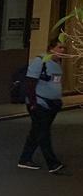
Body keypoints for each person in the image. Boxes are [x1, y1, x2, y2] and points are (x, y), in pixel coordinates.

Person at [17, 38, 67, 173]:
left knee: (37, 132)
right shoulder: (40, 61)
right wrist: (33, 104)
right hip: (40, 103)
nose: (62, 51)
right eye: (60, 48)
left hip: (52, 104)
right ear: (51, 48)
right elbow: (30, 84)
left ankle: (25, 159)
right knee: (43, 132)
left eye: (64, 48)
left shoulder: (57, 63)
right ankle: (53, 163)